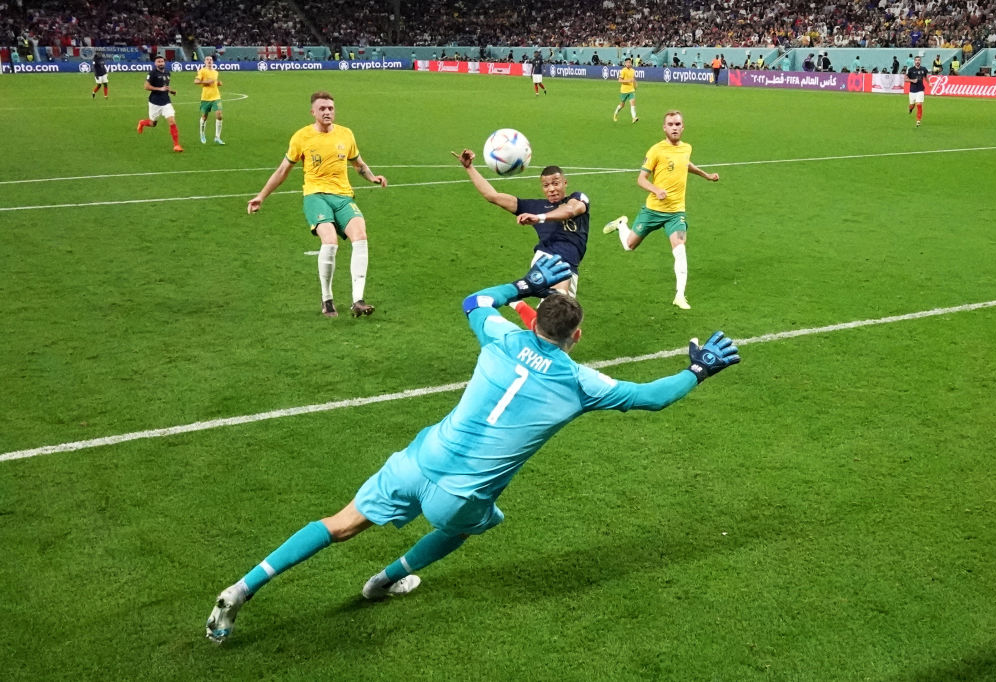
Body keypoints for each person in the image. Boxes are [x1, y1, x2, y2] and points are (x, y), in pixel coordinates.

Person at [204, 253, 742, 643]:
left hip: (420, 461)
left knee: (339, 523)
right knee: (474, 520)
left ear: (533, 320)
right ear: (575, 337)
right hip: (459, 496)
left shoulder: (502, 335)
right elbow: (651, 398)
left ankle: (244, 587)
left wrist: (524, 282)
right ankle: (382, 581)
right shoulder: (582, 384)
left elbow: (475, 301)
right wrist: (699, 369)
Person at [246, 91, 386, 318]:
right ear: (313, 112)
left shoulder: (346, 134)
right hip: (315, 196)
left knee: (360, 235)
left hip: (343, 197)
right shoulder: (301, 138)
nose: (327, 112)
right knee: (330, 241)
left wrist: (372, 177)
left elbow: (358, 163)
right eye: (322, 109)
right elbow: (283, 170)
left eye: (330, 108)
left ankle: (358, 300)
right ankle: (327, 299)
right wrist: (261, 196)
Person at [451, 148, 590, 328]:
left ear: (565, 182)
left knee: (552, 325)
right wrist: (469, 168)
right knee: (559, 317)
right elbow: (493, 196)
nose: (552, 189)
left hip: (571, 266)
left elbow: (570, 210)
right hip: (551, 261)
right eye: (546, 185)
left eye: (556, 183)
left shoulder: (577, 198)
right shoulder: (534, 206)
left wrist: (540, 217)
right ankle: (519, 311)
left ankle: (519, 305)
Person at [602, 110, 719, 310]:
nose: (674, 127)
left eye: (678, 124)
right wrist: (656, 190)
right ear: (664, 128)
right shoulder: (656, 150)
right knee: (629, 246)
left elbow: (685, 164)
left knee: (680, 250)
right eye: (671, 124)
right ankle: (622, 224)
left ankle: (680, 296)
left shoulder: (686, 148)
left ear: (683, 127)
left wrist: (706, 175)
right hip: (653, 210)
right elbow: (640, 179)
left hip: (676, 212)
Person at [136, 56, 183, 153]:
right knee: (153, 123)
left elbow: (165, 86)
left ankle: (176, 145)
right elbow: (146, 86)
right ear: (155, 63)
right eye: (159, 62)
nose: (161, 63)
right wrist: (159, 89)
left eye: (162, 61)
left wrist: (171, 91)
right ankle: (142, 123)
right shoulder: (152, 73)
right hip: (155, 102)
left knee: (172, 122)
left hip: (166, 101)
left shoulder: (167, 73)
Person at [194, 55, 225, 144]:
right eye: (207, 59)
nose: (209, 61)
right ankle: (202, 134)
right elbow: (196, 81)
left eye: (211, 59)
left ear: (213, 62)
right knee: (204, 117)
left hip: (216, 97)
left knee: (219, 115)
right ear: (204, 62)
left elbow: (214, 83)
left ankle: (217, 137)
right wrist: (206, 82)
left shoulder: (215, 72)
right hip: (205, 98)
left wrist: (218, 83)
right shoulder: (202, 71)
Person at [613, 57, 638, 123]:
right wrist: (628, 80)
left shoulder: (633, 70)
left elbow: (633, 79)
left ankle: (634, 118)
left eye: (629, 62)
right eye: (627, 62)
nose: (628, 63)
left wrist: (635, 85)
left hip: (631, 90)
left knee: (632, 103)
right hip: (624, 91)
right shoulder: (623, 70)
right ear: (625, 63)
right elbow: (619, 80)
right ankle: (615, 114)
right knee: (622, 105)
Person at [906, 55, 928, 128]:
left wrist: (929, 83)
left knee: (919, 105)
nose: (917, 61)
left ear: (920, 61)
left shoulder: (923, 69)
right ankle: (911, 109)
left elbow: (926, 77)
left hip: (920, 90)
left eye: (919, 60)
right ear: (914, 61)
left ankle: (918, 121)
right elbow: (905, 79)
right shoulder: (910, 70)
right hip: (912, 91)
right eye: (916, 60)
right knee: (912, 105)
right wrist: (912, 80)